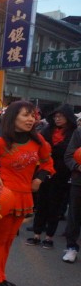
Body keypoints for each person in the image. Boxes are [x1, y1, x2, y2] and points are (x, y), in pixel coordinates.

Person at [0, 100, 54, 286]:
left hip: (24, 196)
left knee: (9, 239)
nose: (31, 119)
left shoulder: (39, 142)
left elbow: (48, 165)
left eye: (33, 115)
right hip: (3, 197)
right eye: (25, 115)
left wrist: (39, 179)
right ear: (13, 118)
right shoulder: (0, 143)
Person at [26, 105, 76, 249]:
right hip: (44, 172)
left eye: (61, 116)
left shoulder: (73, 133)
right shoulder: (47, 130)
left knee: (55, 206)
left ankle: (49, 237)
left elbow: (71, 153)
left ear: (68, 118)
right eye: (56, 116)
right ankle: (36, 234)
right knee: (41, 204)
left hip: (62, 174)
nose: (58, 118)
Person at [62, 110, 81, 263]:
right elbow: (69, 155)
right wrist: (78, 166)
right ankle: (72, 247)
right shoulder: (79, 132)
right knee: (74, 215)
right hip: (78, 181)